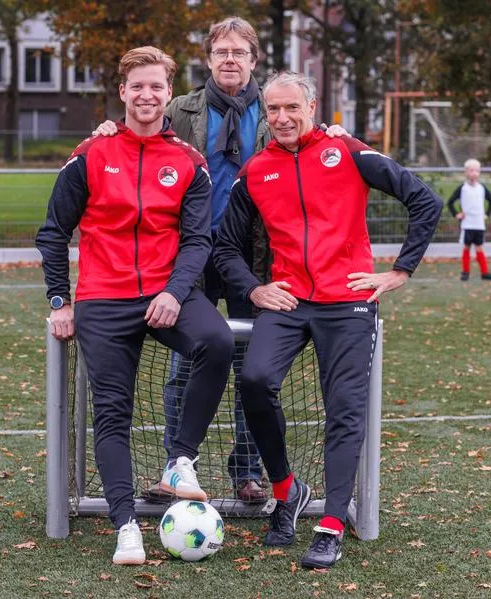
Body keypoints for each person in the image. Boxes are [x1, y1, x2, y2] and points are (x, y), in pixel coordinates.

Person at [92, 17, 348, 505]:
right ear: (208, 60)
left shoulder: (277, 112)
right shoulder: (182, 108)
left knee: (253, 368)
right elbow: (139, 134)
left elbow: (308, 150)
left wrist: (332, 132)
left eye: (239, 52)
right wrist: (106, 127)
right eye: (221, 52)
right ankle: (176, 469)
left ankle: (247, 472)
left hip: (257, 259)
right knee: (185, 365)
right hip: (191, 254)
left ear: (253, 60)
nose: (230, 60)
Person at [213, 72, 442, 570]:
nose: (281, 118)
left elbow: (424, 200)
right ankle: (286, 491)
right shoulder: (256, 170)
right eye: (273, 109)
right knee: (253, 381)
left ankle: (331, 523)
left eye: (291, 107)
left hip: (348, 302)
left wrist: (400, 270)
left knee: (344, 408)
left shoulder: (349, 152)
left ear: (313, 106)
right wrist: (254, 288)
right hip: (289, 301)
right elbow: (225, 247)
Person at [36, 46, 234, 566]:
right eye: (137, 86)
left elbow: (198, 241)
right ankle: (125, 524)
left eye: (157, 87)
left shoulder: (187, 162)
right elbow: (53, 232)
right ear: (122, 92)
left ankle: (179, 461)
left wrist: (173, 291)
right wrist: (61, 299)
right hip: (104, 297)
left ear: (170, 95)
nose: (147, 95)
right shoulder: (90, 154)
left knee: (216, 342)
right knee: (113, 413)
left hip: (168, 293)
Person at [447, 158, 491, 281]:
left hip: (479, 224)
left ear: (479, 172)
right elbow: (450, 202)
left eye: (477, 170)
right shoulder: (463, 188)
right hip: (467, 224)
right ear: (466, 172)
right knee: (466, 247)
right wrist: (456, 214)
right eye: (471, 170)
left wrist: (487, 214)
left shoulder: (482, 188)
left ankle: (485, 272)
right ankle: (465, 272)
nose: (474, 173)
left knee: (479, 247)